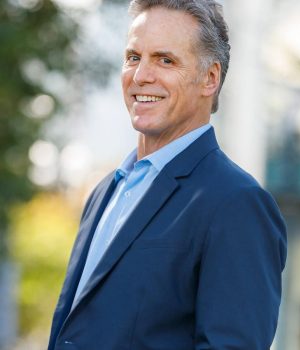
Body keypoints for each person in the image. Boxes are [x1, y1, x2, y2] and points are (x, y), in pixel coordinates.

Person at [48, 0, 287, 349]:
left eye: (165, 60)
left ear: (209, 78)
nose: (141, 75)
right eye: (133, 57)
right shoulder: (105, 191)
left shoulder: (237, 204)